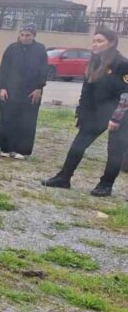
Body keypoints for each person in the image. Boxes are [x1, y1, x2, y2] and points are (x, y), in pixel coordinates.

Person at [43, 29, 128, 197]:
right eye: (94, 41)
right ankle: (64, 177)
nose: (95, 44)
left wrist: (116, 118)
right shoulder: (94, 62)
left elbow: (126, 94)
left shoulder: (122, 64)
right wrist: (81, 113)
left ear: (111, 43)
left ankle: (106, 185)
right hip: (97, 112)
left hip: (120, 114)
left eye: (100, 41)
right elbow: (86, 90)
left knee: (115, 150)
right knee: (79, 144)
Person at [0, 25, 48, 159]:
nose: (24, 38)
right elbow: (4, 68)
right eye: (22, 35)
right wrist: (3, 87)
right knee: (8, 119)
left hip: (31, 91)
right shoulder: (12, 48)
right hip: (11, 90)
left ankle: (22, 150)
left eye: (28, 35)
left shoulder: (40, 49)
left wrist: (39, 87)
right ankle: (6, 148)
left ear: (34, 36)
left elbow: (43, 70)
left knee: (27, 121)